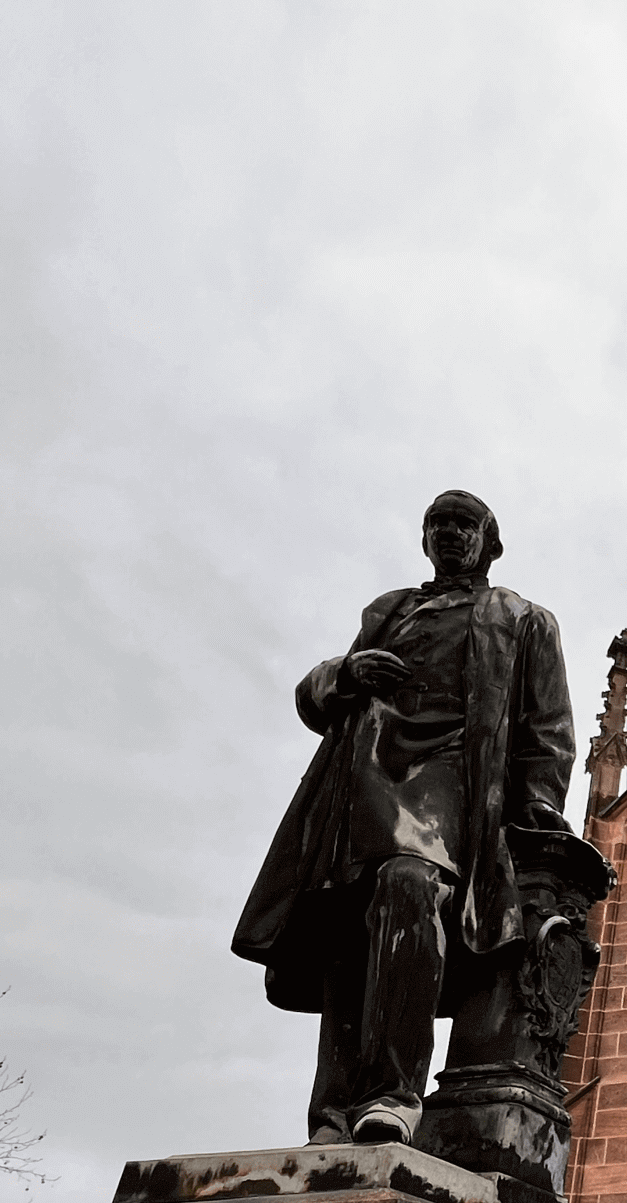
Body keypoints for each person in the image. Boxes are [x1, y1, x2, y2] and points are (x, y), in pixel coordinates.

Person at [233, 490, 577, 1144]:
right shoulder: (391, 611)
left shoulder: (521, 618)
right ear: (424, 538)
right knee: (342, 925)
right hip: (363, 776)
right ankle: (333, 1116)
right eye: (437, 523)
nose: (448, 532)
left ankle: (391, 1096)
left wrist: (540, 801)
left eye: (462, 522)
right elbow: (313, 702)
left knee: (408, 886)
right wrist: (344, 671)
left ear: (490, 542)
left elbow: (550, 728)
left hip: (456, 782)